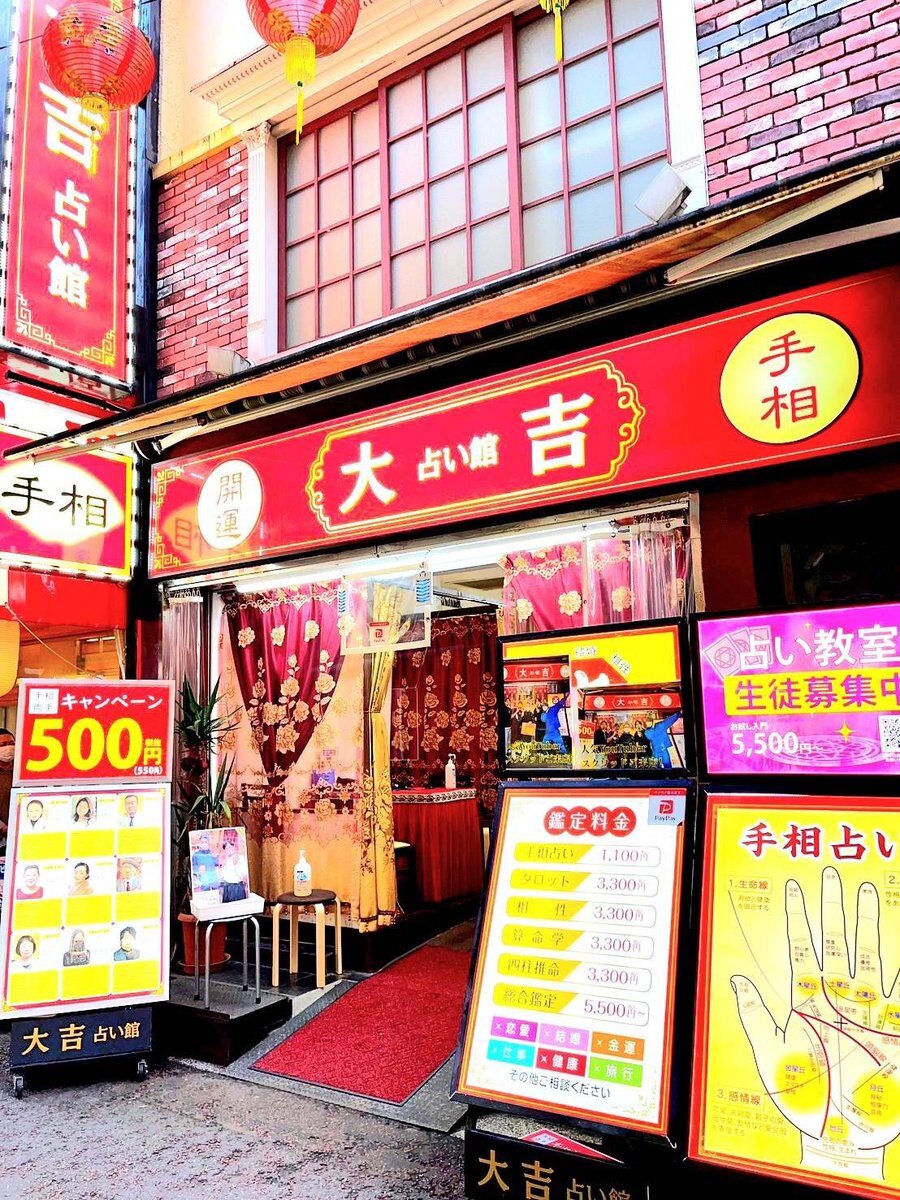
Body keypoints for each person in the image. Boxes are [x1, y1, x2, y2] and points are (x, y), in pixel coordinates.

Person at [220, 837, 248, 903]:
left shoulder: (240, 858)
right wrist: (222, 867)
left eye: (230, 847)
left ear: (234, 847)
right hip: (227, 888)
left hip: (237, 888)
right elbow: (223, 876)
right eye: (227, 848)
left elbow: (243, 874)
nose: (229, 849)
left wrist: (235, 865)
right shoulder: (226, 860)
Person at [0, 727, 14, 848]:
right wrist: (3, 828)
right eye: (3, 745)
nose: (8, 748)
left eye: (11, 743)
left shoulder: (21, 771)